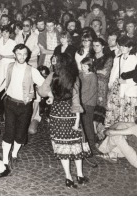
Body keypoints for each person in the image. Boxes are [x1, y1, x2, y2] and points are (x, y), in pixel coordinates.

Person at [0, 44, 52, 178]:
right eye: (19, 54)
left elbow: (43, 84)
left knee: (21, 132)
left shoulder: (32, 70)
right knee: (9, 131)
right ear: (14, 54)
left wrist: (51, 95)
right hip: (10, 103)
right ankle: (5, 159)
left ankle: (14, 154)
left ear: (27, 55)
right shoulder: (9, 66)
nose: (21, 57)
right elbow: (6, 81)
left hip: (25, 105)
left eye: (24, 54)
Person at [42, 53, 91, 188]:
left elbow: (41, 90)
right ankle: (80, 175)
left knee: (62, 144)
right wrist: (76, 123)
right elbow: (76, 103)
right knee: (76, 144)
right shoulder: (75, 78)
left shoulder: (52, 75)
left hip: (56, 113)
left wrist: (51, 95)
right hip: (70, 114)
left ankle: (68, 177)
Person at [105, 36, 137, 127]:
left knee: (128, 114)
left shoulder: (134, 59)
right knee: (116, 113)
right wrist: (111, 85)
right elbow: (113, 74)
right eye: (121, 46)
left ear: (130, 47)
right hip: (117, 90)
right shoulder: (117, 58)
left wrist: (126, 82)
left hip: (130, 91)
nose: (122, 48)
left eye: (125, 46)